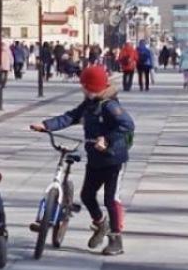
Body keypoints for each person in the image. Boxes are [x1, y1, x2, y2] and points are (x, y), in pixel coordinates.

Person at [30, 65, 134, 256]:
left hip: (114, 160)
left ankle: (116, 239)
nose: (82, 89)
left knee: (111, 198)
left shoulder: (110, 106)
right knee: (87, 195)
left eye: (84, 86)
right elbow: (70, 117)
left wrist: (107, 139)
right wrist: (46, 125)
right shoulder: (89, 103)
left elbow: (127, 124)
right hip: (95, 159)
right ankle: (101, 223)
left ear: (93, 87)